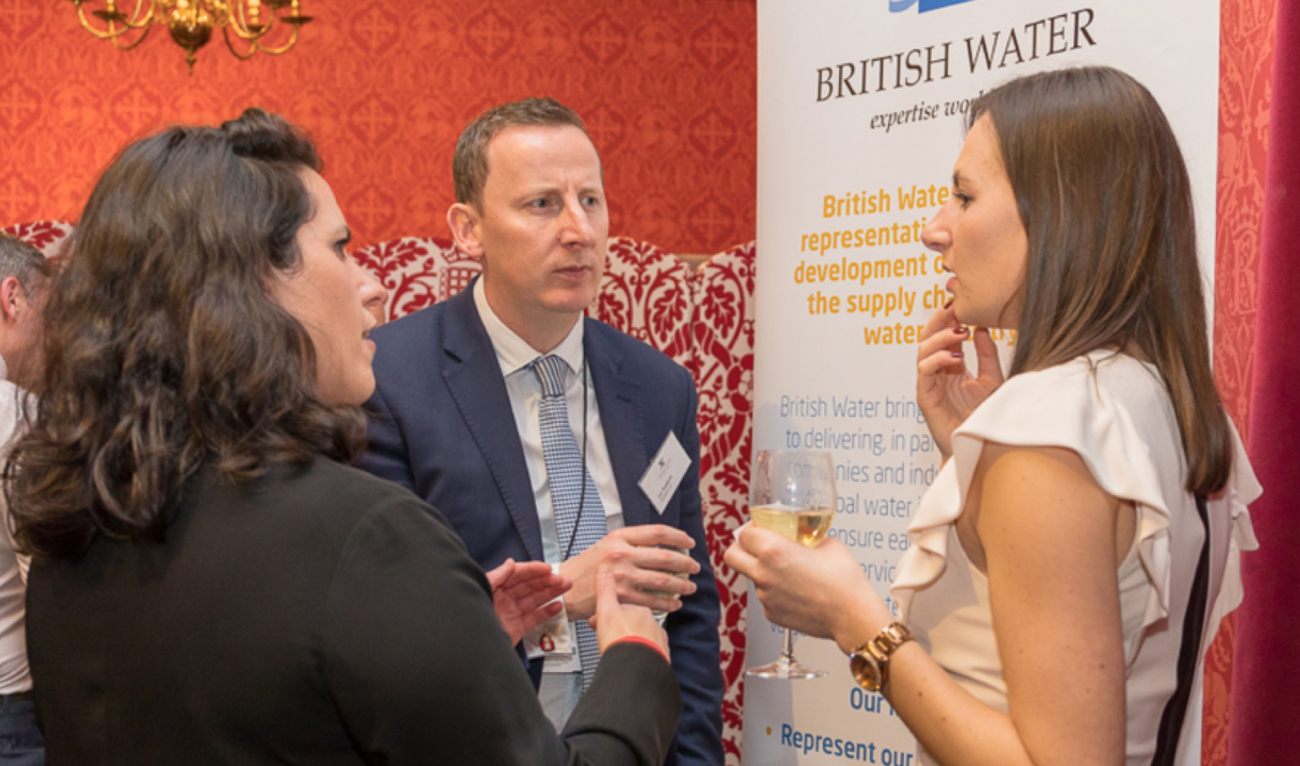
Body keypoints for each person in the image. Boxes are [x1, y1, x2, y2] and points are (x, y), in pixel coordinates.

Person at [7, 108, 683, 765]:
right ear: (253, 287)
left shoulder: (76, 525)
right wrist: (636, 657)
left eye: (590, 200)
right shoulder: (370, 538)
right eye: (339, 248)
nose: (372, 283)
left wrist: (457, 640)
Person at [726, 66, 1259, 766]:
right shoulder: (1172, 405)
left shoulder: (1047, 430)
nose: (933, 230)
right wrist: (974, 460)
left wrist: (856, 623)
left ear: (1062, 214)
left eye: (964, 196)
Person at [359, 97, 724, 764]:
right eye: (542, 204)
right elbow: (383, 620)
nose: (578, 230)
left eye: (591, 200)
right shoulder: (387, 381)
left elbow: (688, 605)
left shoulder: (660, 387)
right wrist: (557, 596)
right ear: (468, 230)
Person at [0, 234, 51, 766]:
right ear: (12, 298)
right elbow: (44, 572)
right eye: (49, 312)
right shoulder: (16, 414)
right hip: (10, 709)